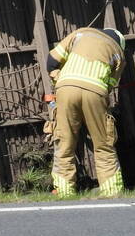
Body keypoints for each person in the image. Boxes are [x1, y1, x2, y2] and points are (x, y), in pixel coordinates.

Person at [45, 26, 127, 196]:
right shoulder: (118, 51)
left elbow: (51, 61)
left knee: (64, 144)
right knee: (104, 145)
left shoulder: (81, 33)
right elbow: (111, 85)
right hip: (95, 92)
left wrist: (58, 77)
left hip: (66, 88)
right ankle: (112, 192)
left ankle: (64, 192)